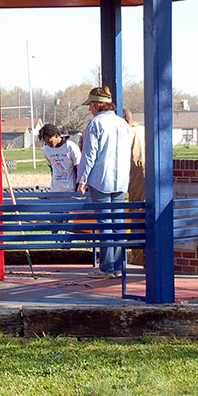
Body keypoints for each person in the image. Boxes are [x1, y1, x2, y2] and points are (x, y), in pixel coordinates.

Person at [76, 86, 131, 279]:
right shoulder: (123, 124)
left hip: (100, 180)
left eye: (90, 104)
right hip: (121, 181)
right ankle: (117, 267)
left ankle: (107, 268)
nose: (89, 108)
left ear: (96, 104)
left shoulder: (95, 124)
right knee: (119, 224)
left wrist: (82, 180)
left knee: (105, 224)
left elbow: (89, 156)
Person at [38, 123, 81, 193]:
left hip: (70, 191)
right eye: (46, 142)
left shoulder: (71, 147)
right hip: (55, 191)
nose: (49, 144)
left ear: (56, 135)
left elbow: (78, 169)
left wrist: (77, 188)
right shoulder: (47, 150)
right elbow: (52, 168)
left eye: (50, 141)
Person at [121, 109, 145, 203]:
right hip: (148, 167)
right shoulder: (143, 129)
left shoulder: (128, 131)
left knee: (136, 202)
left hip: (136, 168)